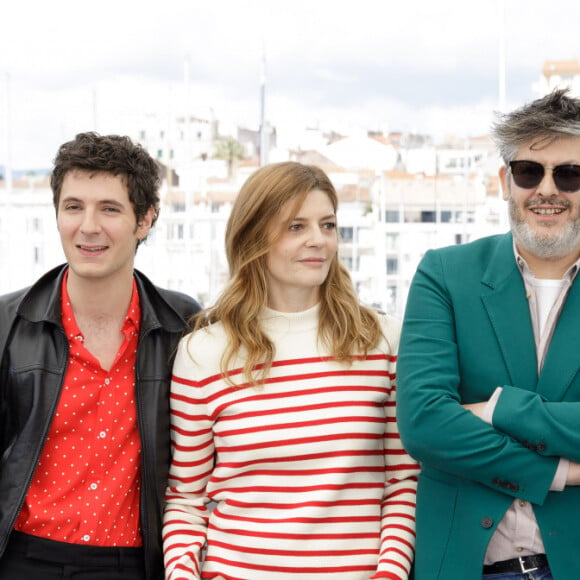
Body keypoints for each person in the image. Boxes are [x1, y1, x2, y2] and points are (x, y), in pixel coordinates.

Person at [162, 161, 419, 580]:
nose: (319, 240)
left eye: (328, 225)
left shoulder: (383, 340)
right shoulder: (202, 353)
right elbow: (186, 499)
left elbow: (403, 482)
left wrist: (388, 574)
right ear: (253, 237)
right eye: (296, 227)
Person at [0, 132, 201, 580]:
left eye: (109, 209)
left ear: (145, 220)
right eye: (74, 207)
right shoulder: (7, 324)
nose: (88, 226)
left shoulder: (184, 325)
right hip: (23, 559)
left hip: (137, 563)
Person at [397, 87, 580, 580]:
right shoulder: (444, 274)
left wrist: (502, 409)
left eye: (570, 175)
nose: (548, 190)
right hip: (464, 565)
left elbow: (452, 423)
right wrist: (558, 471)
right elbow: (424, 424)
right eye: (529, 172)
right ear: (505, 181)